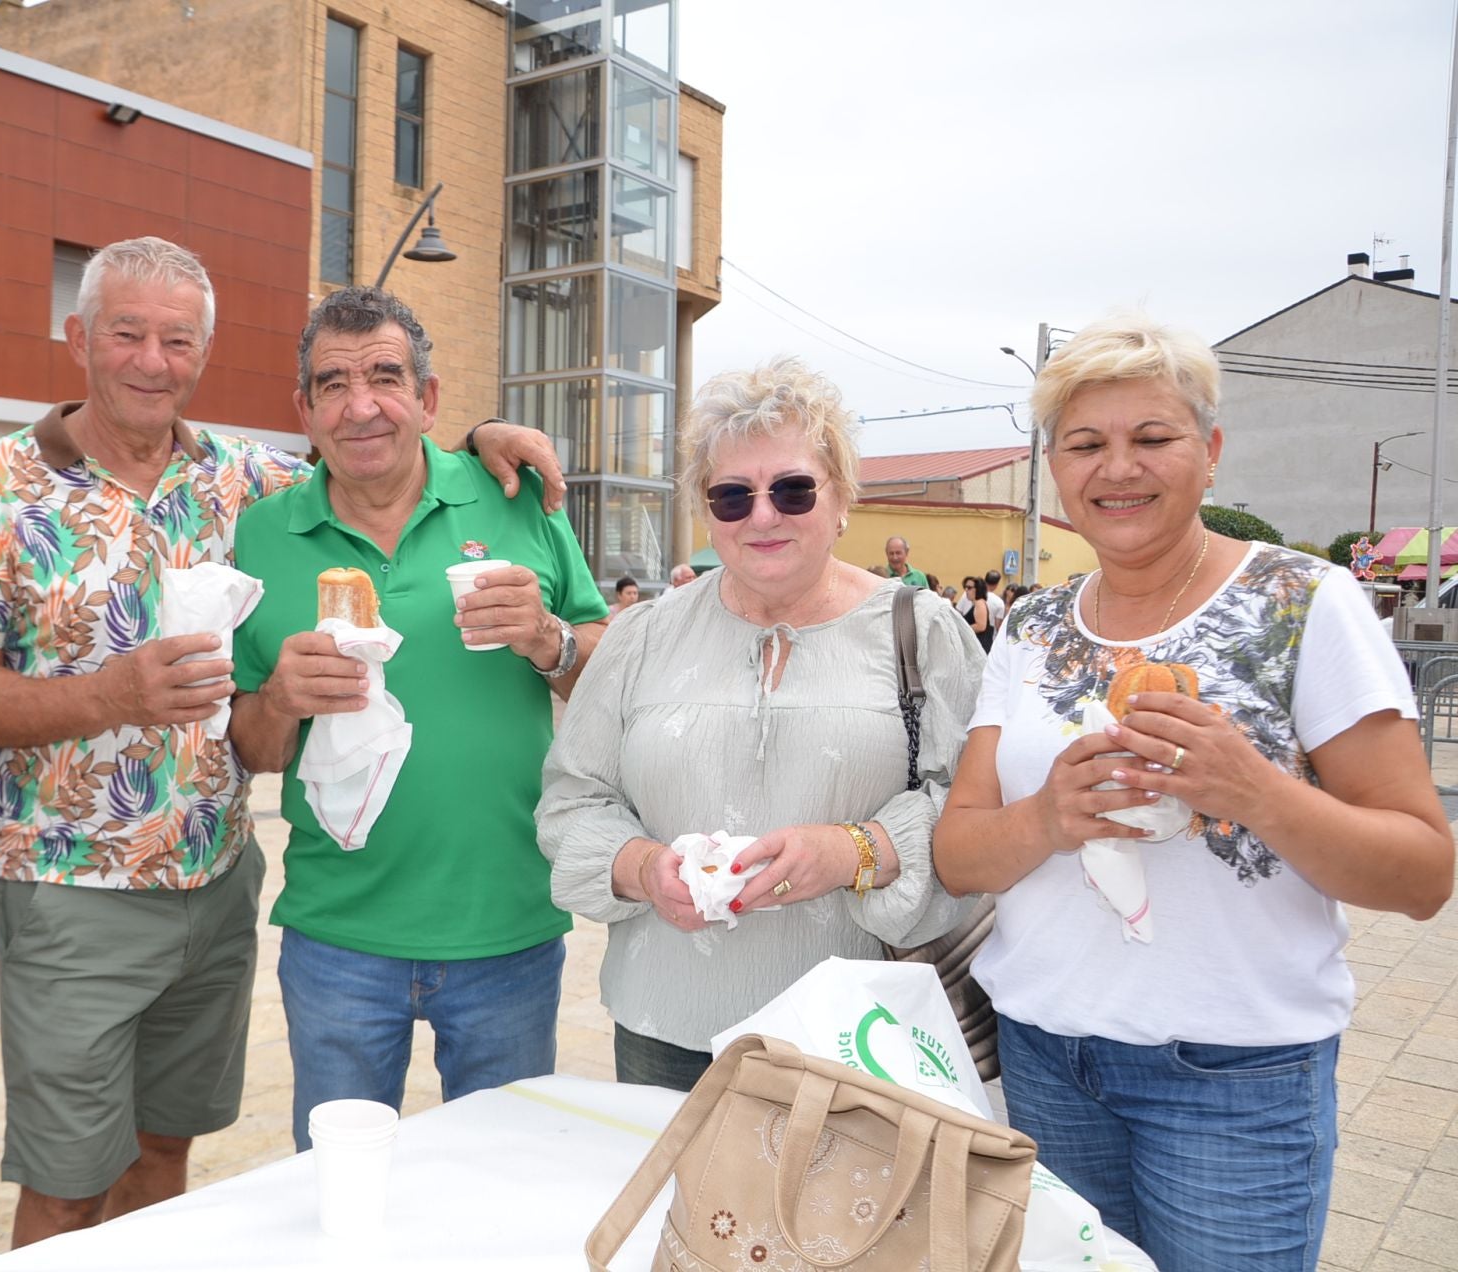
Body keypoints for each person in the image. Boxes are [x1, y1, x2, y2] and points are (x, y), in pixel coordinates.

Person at [0, 249, 559, 1246]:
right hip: (69, 885)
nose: (152, 360)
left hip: (217, 881)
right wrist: (112, 693)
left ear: (205, 353)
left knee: (165, 1152)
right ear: (79, 339)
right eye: (128, 334)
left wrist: (483, 437)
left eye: (178, 340)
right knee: (65, 1180)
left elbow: (376, 448)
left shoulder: (246, 482)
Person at [933, 314, 1453, 1271]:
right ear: (1056, 468)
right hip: (1044, 1056)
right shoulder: (1033, 624)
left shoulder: (1305, 602)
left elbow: (1422, 873)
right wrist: (1047, 818)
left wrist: (1255, 788)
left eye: (1153, 438)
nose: (1117, 468)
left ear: (1209, 453)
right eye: (1086, 444)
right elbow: (959, 852)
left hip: (1235, 1081)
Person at [229, 286, 609, 1151]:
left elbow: (610, 681)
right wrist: (280, 697)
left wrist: (549, 640)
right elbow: (251, 750)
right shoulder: (262, 535)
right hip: (338, 940)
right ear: (306, 410)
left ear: (430, 400)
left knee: (502, 1192)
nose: (362, 405)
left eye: (386, 378)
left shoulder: (516, 498)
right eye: (333, 383)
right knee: (344, 1196)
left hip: (506, 928)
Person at [538, 356, 983, 1090]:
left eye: (792, 489)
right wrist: (644, 870)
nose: (764, 515)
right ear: (705, 512)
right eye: (733, 497)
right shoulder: (642, 636)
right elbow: (573, 801)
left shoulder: (922, 632)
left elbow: (972, 807)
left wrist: (857, 851)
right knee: (675, 1207)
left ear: (841, 498)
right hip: (668, 1029)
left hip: (860, 1036)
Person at [965, 575, 995, 653]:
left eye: (969, 588)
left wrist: (963, 628)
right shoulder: (977, 604)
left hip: (980, 646)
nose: (966, 590)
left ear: (977, 589)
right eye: (965, 587)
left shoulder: (979, 604)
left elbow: (981, 626)